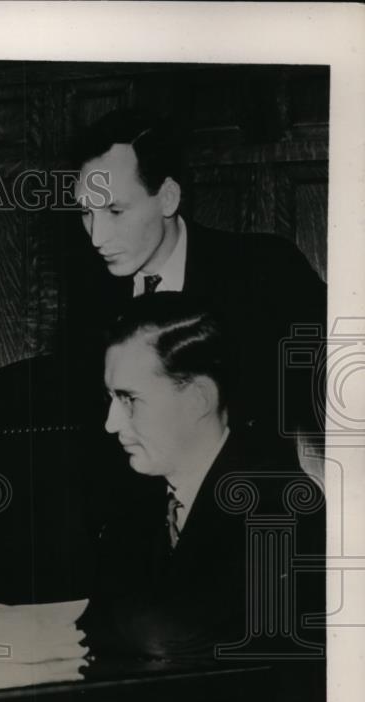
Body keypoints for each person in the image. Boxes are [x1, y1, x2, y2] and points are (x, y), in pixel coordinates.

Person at [68, 108, 326, 461]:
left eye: (114, 211)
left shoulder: (267, 269)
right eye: (86, 212)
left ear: (168, 198)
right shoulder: (88, 304)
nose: (97, 237)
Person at [80, 294, 324, 660]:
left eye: (129, 399)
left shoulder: (281, 506)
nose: (111, 423)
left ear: (198, 399)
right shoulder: (135, 506)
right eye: (110, 399)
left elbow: (166, 635)